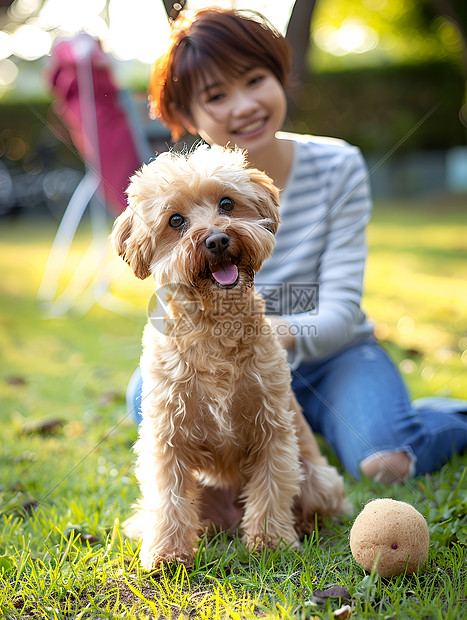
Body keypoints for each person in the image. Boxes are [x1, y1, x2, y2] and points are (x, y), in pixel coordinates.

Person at [126, 6, 467, 484]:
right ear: (186, 114)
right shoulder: (173, 191)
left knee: (385, 463)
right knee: (147, 401)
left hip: (333, 356)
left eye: (254, 80)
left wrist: (261, 332)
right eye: (217, 94)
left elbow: (340, 309)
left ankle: (433, 418)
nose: (244, 105)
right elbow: (174, 294)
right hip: (224, 358)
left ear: (280, 76)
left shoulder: (338, 166)